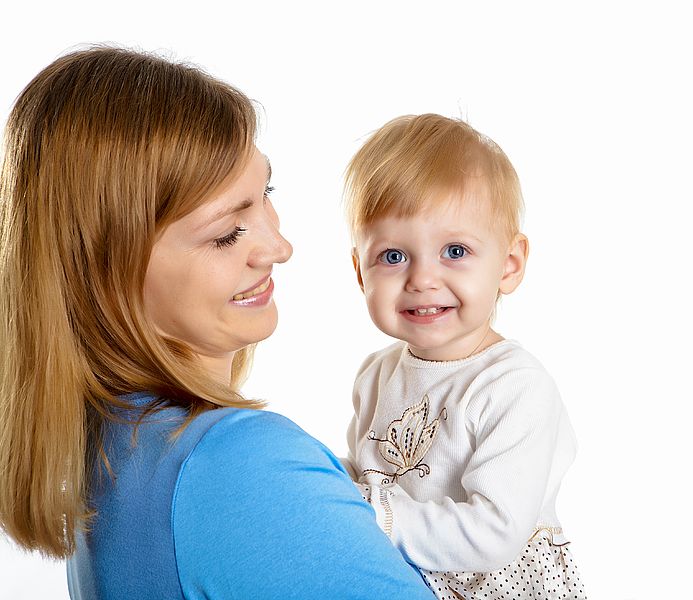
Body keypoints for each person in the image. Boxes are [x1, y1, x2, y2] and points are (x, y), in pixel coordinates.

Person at [0, 47, 434, 599]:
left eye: (265, 195)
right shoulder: (239, 467)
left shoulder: (111, 448)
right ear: (107, 275)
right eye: (227, 233)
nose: (279, 248)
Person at [342, 114, 587, 599]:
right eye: (393, 256)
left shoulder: (513, 385)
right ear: (359, 270)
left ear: (509, 265)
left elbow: (496, 532)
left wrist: (377, 517)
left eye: (454, 250)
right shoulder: (377, 374)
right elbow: (363, 476)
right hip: (407, 576)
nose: (422, 279)